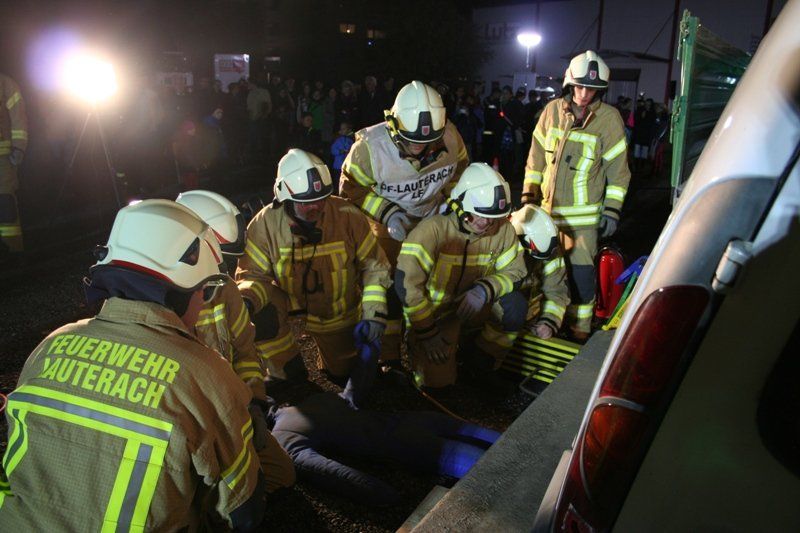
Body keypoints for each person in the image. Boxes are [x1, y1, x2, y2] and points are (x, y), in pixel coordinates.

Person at [0, 200, 266, 530]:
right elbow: (244, 511)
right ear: (180, 291)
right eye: (206, 291)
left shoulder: (48, 347)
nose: (204, 304)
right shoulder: (205, 373)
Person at [339, 80, 470, 364]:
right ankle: (389, 358)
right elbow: (350, 190)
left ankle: (419, 344)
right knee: (389, 291)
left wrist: (451, 205)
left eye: (426, 142)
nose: (419, 149)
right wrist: (388, 213)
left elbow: (460, 173)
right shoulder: (370, 148)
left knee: (428, 286)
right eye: (411, 141)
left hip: (431, 222)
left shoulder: (450, 135)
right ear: (394, 126)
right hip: (387, 230)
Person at [176, 190, 296, 494]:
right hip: (186, 425)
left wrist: (254, 402)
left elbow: (245, 352)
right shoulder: (159, 302)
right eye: (218, 260)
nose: (224, 272)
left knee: (281, 475)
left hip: (230, 408)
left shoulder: (224, 288)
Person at [236, 149, 391, 383]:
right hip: (290, 306)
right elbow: (252, 275)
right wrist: (247, 300)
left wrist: (374, 313)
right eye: (305, 202)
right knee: (261, 310)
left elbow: (375, 266)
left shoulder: (347, 215)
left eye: (321, 199)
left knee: (342, 374)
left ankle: (332, 359)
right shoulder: (264, 225)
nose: (315, 208)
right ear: (284, 196)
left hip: (335, 316)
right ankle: (288, 372)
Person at [522, 50, 631, 341]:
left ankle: (580, 330)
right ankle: (547, 322)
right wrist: (528, 198)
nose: (584, 94)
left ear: (600, 90)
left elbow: (619, 171)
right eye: (580, 86)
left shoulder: (609, 119)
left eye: (591, 89)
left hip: (583, 221)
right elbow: (535, 159)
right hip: (546, 215)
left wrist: (612, 210)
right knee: (545, 273)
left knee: (581, 277)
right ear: (570, 83)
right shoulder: (552, 112)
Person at [395, 163, 528, 389]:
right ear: (461, 205)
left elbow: (517, 272)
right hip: (434, 317)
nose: (487, 223)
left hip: (474, 309)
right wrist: (427, 333)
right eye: (481, 215)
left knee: (514, 305)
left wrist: (485, 289)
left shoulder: (502, 229)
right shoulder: (432, 231)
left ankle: (480, 361)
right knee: (438, 385)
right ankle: (424, 354)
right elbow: (407, 285)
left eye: (493, 217)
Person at [266, 392, 500, 505]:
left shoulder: (283, 436)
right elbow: (352, 393)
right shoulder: (314, 400)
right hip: (415, 418)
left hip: (405, 443)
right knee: (500, 441)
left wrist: (385, 495)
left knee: (497, 473)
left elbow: (331, 472)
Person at [509, 204, 570, 339]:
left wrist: (549, 322)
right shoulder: (498, 242)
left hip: (528, 321)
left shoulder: (549, 250)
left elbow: (556, 291)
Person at [0, 73, 28, 260]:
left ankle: (13, 251)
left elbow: (18, 117)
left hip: (2, 158)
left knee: (5, 204)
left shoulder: (4, 84)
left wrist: (19, 147)